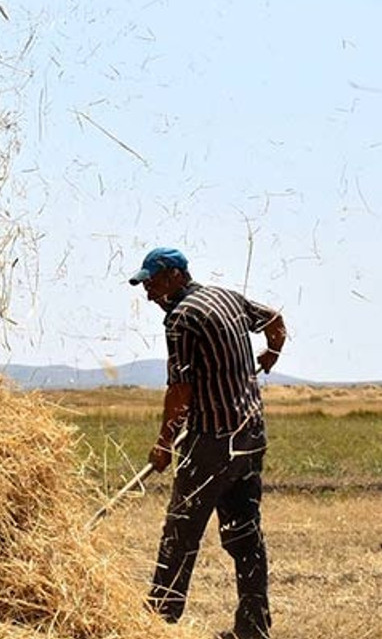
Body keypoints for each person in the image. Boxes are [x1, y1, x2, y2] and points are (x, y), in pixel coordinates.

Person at [128, 247, 287, 639]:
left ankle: (157, 624)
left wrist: (164, 443)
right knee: (245, 533)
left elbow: (180, 389)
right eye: (145, 285)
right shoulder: (227, 297)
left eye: (153, 282)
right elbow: (276, 320)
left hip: (212, 442)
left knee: (181, 532)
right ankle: (254, 628)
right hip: (250, 436)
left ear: (177, 275)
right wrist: (272, 352)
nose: (149, 293)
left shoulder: (180, 319)